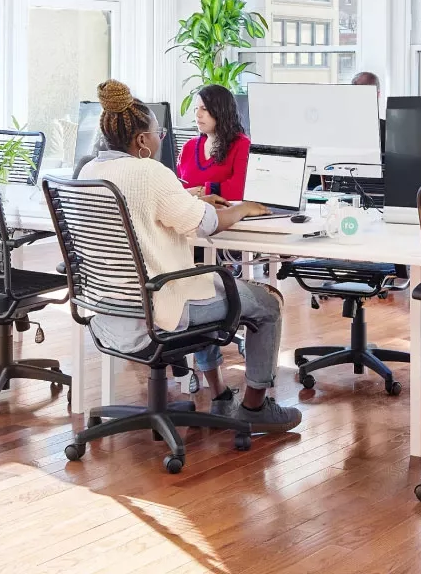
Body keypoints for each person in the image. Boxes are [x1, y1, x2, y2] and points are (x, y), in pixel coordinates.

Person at [82, 80, 303, 432]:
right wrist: (244, 208)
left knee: (205, 284)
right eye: (158, 133)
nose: (161, 140)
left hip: (107, 310)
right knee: (267, 301)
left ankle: (219, 394)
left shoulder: (88, 172)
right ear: (141, 141)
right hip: (157, 310)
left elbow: (149, 210)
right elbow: (209, 224)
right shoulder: (150, 171)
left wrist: (194, 200)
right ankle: (255, 408)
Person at [178, 84, 251, 200]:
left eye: (204, 109)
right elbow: (174, 188)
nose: (198, 114)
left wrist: (199, 191)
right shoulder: (189, 146)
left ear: (222, 111)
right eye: (196, 108)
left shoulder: (242, 144)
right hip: (188, 215)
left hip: (224, 216)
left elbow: (239, 190)